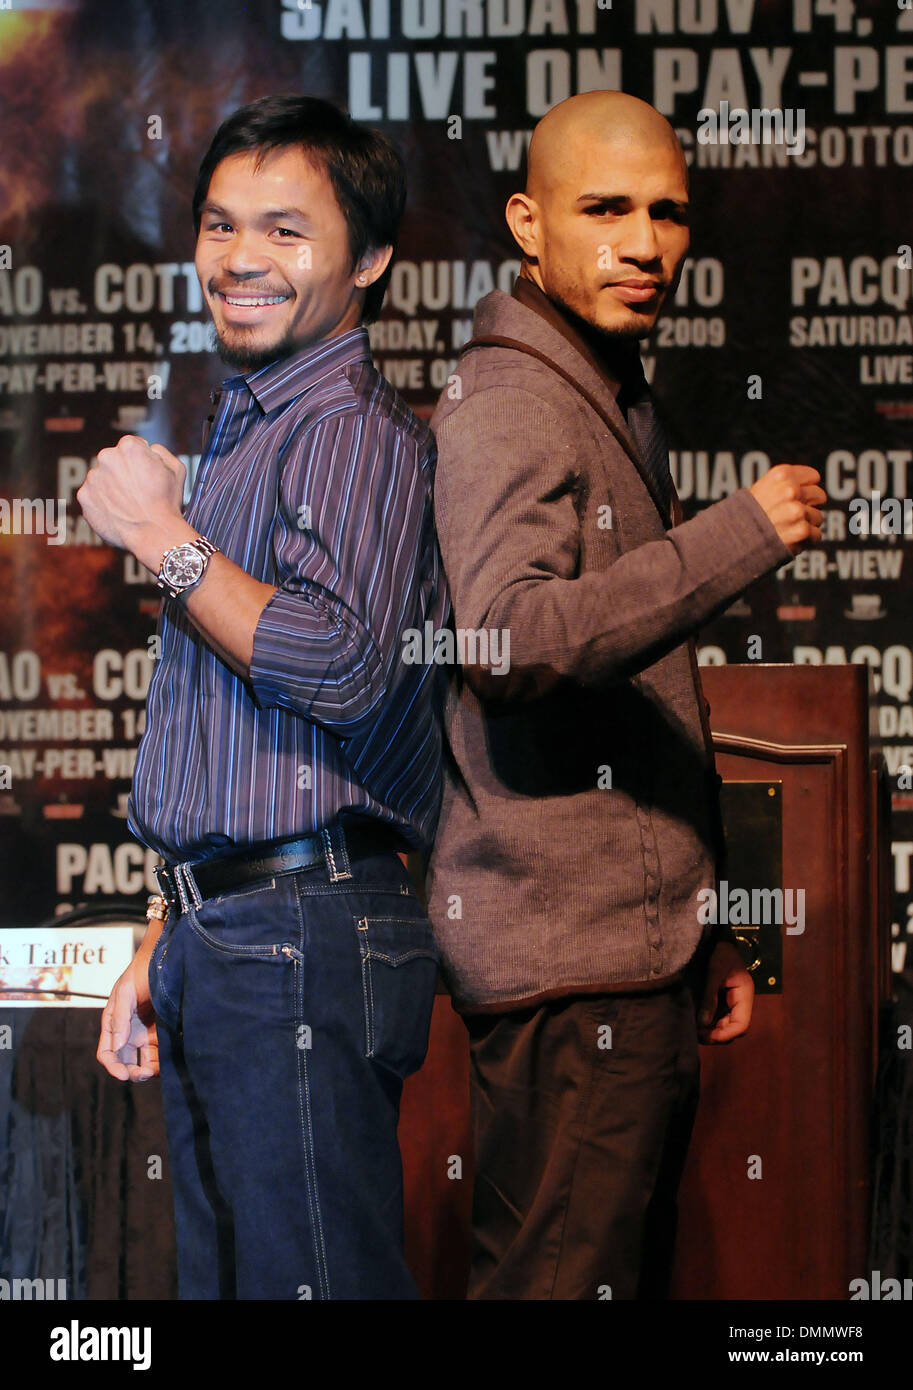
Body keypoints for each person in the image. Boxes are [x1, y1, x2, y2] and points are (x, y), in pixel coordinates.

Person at [425, 90, 825, 1300]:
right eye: (604, 208)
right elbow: (506, 637)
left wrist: (697, 928)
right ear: (526, 224)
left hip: (620, 953)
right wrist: (735, 536)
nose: (644, 244)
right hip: (567, 967)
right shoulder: (514, 400)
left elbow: (633, 700)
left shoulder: (599, 390)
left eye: (668, 212)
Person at [79, 94, 448, 1301]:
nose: (241, 260)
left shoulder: (348, 430)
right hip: (235, 930)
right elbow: (230, 741)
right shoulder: (245, 434)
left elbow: (342, 664)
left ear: (373, 259)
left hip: (302, 931)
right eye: (222, 226)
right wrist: (167, 926)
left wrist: (163, 540)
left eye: (287, 232)